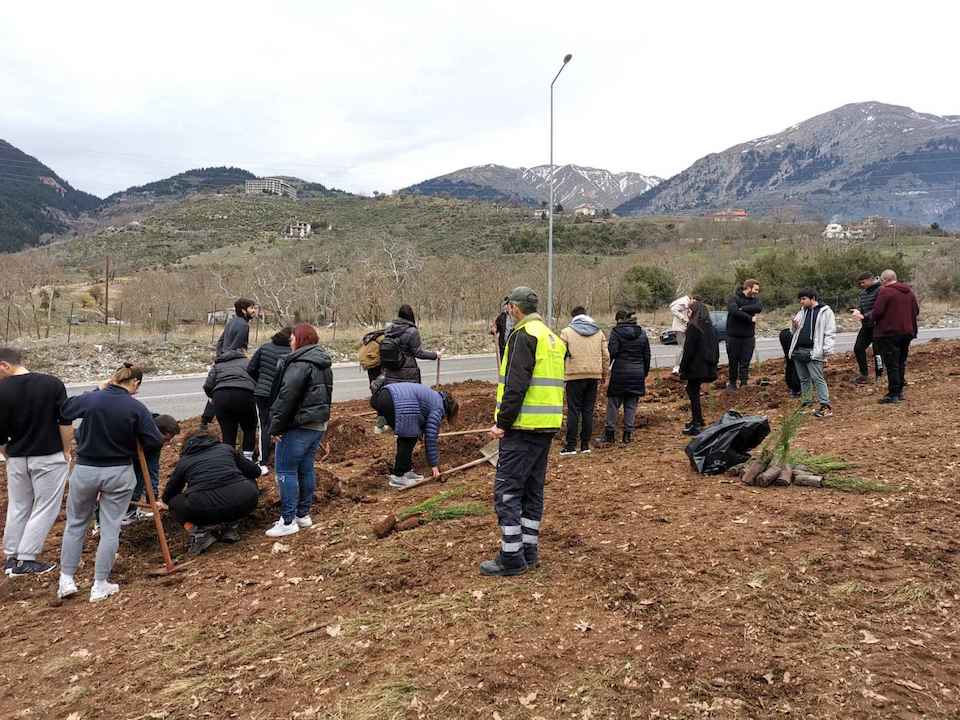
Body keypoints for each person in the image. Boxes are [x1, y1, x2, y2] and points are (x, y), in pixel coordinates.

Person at [58, 364, 164, 602]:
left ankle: (66, 580)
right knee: (110, 528)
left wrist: (97, 389)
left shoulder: (92, 399)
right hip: (118, 471)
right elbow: (154, 440)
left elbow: (66, 409)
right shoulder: (136, 407)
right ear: (135, 383)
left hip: (85, 469)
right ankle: (99, 585)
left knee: (75, 524)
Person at [482, 286, 565, 577]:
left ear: (514, 308)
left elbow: (515, 386)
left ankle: (511, 556)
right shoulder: (552, 337)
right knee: (532, 490)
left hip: (522, 428)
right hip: (546, 426)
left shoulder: (523, 335)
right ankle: (529, 550)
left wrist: (502, 423)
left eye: (509, 308)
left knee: (507, 491)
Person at [0, 347, 72, 577]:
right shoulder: (52, 384)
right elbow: (65, 422)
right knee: (45, 507)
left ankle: (11, 557)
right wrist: (66, 450)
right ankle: (26, 559)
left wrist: (8, 453)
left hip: (17, 457)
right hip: (48, 455)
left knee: (18, 506)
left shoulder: (1, 390)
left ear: (5, 365)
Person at [266, 323, 334, 537]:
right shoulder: (322, 362)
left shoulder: (299, 364)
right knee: (305, 469)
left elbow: (286, 398)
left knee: (285, 471)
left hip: (298, 426)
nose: (290, 340)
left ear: (301, 339)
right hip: (317, 425)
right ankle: (302, 515)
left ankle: (287, 521)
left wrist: (275, 427)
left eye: (293, 337)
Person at [161, 428, 265, 555]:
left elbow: (168, 495)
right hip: (244, 500)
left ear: (186, 445)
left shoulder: (185, 461)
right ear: (213, 439)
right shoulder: (227, 449)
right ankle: (231, 526)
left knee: (174, 503)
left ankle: (200, 533)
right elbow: (255, 471)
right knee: (249, 481)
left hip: (205, 509)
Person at [369, 381, 459, 488]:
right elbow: (430, 438)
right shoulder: (438, 408)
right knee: (408, 438)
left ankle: (406, 471)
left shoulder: (435, 397)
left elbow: (422, 418)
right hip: (397, 401)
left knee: (410, 435)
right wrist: (434, 465)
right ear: (448, 411)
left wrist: (420, 432)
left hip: (386, 394)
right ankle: (398, 476)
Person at [854, 269, 919, 404]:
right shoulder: (909, 292)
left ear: (885, 280)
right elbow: (916, 311)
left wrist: (864, 316)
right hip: (907, 332)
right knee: (901, 362)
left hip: (890, 333)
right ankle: (899, 392)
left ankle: (893, 394)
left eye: (882, 280)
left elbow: (877, 312)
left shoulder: (885, 291)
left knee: (892, 364)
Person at [559, 306, 608, 455]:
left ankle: (571, 446)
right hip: (593, 375)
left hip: (573, 375)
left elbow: (559, 355)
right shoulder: (599, 332)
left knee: (573, 411)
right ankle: (585, 445)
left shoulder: (566, 332)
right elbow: (605, 355)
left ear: (573, 317)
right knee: (588, 410)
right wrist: (604, 374)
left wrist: (560, 374)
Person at [201, 298, 258, 428]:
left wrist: (220, 358)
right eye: (251, 308)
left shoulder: (231, 322)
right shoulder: (244, 325)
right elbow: (237, 346)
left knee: (217, 388)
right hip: (234, 360)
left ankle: (205, 420)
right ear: (243, 310)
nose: (254, 311)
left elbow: (220, 342)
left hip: (223, 359)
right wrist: (237, 358)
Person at [602, 309, 651, 444]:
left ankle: (610, 434)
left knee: (613, 404)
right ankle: (627, 435)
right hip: (637, 373)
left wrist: (605, 372)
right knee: (631, 405)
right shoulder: (642, 333)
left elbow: (612, 353)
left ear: (620, 320)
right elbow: (647, 355)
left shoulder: (616, 332)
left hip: (620, 372)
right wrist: (644, 372)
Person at [247, 326, 293, 464]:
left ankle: (263, 461)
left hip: (262, 393)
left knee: (264, 425)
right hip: (281, 394)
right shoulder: (292, 352)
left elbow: (251, 368)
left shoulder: (264, 348)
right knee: (282, 423)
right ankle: (283, 457)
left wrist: (260, 381)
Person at [788, 289, 837, 418]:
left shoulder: (825, 312)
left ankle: (825, 406)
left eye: (804, 299)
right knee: (804, 379)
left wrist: (826, 352)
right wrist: (794, 325)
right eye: (800, 299)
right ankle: (807, 403)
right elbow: (793, 332)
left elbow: (830, 332)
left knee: (817, 378)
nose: (801, 301)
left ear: (813, 298)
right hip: (798, 350)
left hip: (814, 351)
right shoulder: (801, 312)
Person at [123, 414, 180, 526]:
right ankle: (101, 520)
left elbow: (152, 468)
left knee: (139, 479)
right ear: (156, 431)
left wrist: (152, 496)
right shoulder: (136, 424)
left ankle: (130, 512)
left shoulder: (156, 441)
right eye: (166, 439)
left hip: (139, 455)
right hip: (121, 455)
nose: (167, 442)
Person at [203, 348, 257, 459]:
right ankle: (248, 459)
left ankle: (229, 459)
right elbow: (257, 378)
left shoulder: (218, 366)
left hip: (221, 396)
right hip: (245, 394)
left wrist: (213, 397)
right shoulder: (247, 362)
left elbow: (208, 385)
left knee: (227, 432)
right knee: (249, 428)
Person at [678, 301, 720, 436]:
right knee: (693, 390)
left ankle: (696, 423)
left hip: (695, 367)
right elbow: (716, 348)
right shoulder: (710, 327)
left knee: (693, 392)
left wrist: (682, 368)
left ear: (694, 311)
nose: (687, 313)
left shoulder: (693, 326)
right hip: (707, 365)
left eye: (689, 311)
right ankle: (698, 420)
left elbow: (688, 350)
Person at [381, 304, 441, 385]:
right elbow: (418, 353)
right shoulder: (412, 331)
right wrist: (435, 355)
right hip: (407, 373)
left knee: (394, 392)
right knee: (410, 392)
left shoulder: (389, 329)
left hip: (390, 371)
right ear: (411, 316)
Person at [726, 279, 763, 390]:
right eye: (755, 289)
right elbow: (734, 311)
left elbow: (759, 308)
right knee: (733, 362)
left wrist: (742, 308)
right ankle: (732, 383)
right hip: (733, 337)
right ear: (748, 287)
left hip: (748, 337)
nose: (757, 292)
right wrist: (750, 318)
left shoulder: (755, 300)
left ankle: (744, 383)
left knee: (745, 362)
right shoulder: (733, 298)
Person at [851, 272, 884, 384]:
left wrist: (865, 315)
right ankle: (864, 375)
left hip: (878, 326)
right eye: (860, 283)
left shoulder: (881, 290)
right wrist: (857, 311)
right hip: (866, 326)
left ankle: (880, 375)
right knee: (858, 348)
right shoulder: (863, 293)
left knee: (878, 352)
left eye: (863, 282)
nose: (861, 285)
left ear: (871, 279)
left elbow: (878, 308)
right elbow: (862, 306)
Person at [669, 294, 694, 375]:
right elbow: (673, 309)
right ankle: (676, 367)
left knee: (684, 348)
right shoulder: (684, 302)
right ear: (691, 298)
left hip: (681, 328)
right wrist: (684, 318)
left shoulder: (685, 303)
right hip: (680, 328)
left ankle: (681, 366)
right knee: (681, 348)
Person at [778, 329, 802, 397]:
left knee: (789, 361)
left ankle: (791, 385)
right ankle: (796, 388)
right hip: (794, 332)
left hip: (785, 332)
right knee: (796, 362)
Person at [490, 297, 514, 362]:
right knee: (504, 364)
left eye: (509, 305)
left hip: (514, 347)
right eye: (507, 305)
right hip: (503, 346)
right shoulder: (502, 316)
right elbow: (495, 328)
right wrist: (493, 329)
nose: (507, 307)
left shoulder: (517, 317)